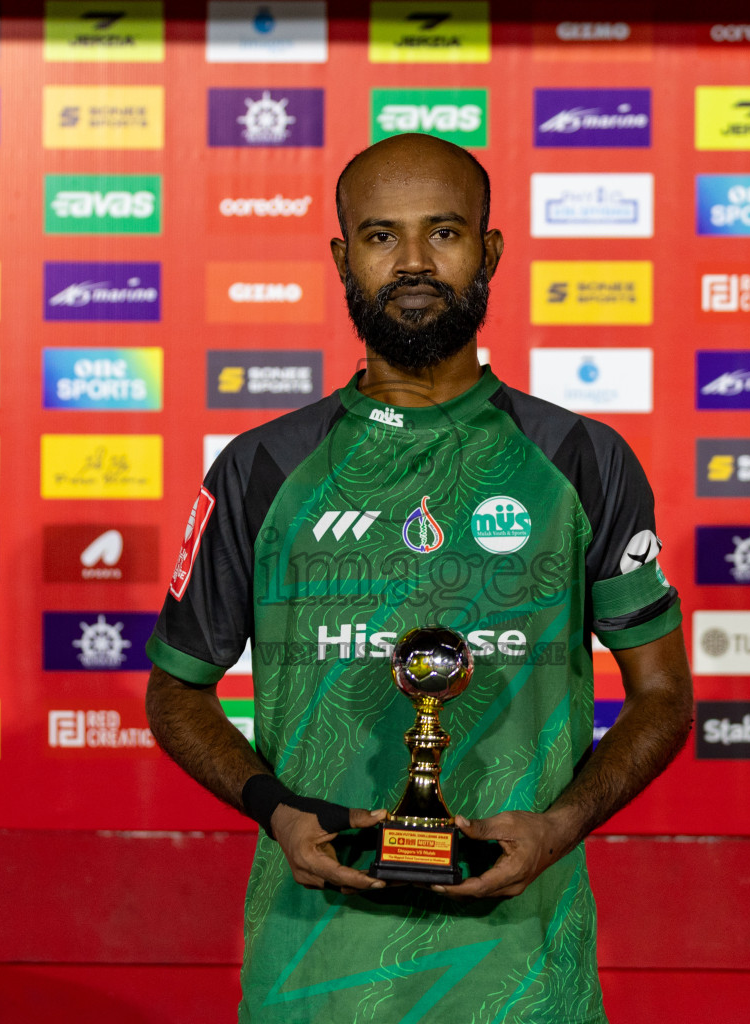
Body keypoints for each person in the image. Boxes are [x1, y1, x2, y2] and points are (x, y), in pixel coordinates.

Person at [145, 132, 693, 1023]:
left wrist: (559, 826)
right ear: (341, 258)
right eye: (379, 236)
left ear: (491, 249)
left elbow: (662, 692)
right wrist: (278, 811)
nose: (411, 262)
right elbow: (176, 694)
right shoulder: (259, 469)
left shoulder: (583, 460)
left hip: (524, 979)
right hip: (314, 972)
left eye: (443, 232)